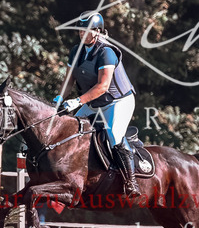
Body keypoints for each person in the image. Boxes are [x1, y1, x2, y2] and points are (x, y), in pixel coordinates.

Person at [54, 11, 140, 197]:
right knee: (69, 132)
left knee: (113, 134)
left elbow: (103, 86)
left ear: (98, 31)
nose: (82, 34)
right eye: (80, 31)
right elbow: (69, 80)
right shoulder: (76, 51)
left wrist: (77, 101)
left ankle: (130, 181)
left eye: (87, 31)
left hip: (118, 101)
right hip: (94, 102)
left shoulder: (106, 52)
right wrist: (59, 99)